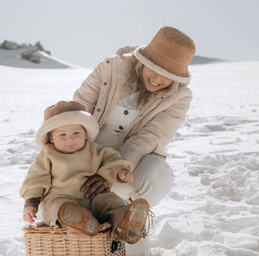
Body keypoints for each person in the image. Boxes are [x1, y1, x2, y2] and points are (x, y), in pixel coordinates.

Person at [74, 26, 196, 207]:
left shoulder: (179, 98)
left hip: (127, 168)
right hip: (85, 157)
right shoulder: (109, 70)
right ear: (143, 60)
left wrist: (113, 171)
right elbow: (79, 112)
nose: (157, 79)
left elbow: (150, 137)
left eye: (167, 75)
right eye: (154, 68)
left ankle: (127, 219)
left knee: (159, 174)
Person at [20, 100, 149, 244]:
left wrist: (119, 171)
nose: (70, 139)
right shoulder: (47, 155)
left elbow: (112, 159)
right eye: (62, 135)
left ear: (85, 133)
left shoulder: (94, 150)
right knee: (57, 207)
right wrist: (31, 202)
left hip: (94, 198)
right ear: (51, 138)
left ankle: (125, 225)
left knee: (113, 202)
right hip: (62, 197)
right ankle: (76, 223)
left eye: (76, 133)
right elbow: (36, 178)